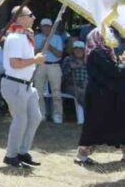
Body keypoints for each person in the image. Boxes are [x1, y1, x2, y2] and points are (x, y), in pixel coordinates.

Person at [0, 5, 45, 168]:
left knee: (35, 117)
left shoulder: (25, 37)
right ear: (19, 18)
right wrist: (35, 60)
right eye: (30, 15)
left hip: (26, 85)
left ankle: (22, 151)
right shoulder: (15, 38)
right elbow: (15, 63)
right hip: (14, 84)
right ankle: (11, 155)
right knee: (20, 119)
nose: (34, 18)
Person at [75, 29, 125, 165]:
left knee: (119, 123)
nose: (111, 38)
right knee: (93, 125)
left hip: (109, 95)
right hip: (99, 96)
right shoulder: (96, 52)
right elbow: (114, 71)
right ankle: (81, 156)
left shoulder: (107, 52)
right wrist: (123, 63)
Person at [33, 18, 66, 124]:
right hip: (40, 65)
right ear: (41, 27)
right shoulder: (36, 38)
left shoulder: (57, 38)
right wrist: (42, 47)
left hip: (54, 65)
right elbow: (33, 53)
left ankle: (58, 115)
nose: (46, 28)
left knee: (56, 91)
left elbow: (59, 55)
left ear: (51, 27)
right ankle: (41, 114)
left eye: (48, 26)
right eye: (44, 26)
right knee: (38, 91)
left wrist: (49, 46)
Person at [62, 39, 88, 123]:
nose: (78, 51)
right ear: (73, 50)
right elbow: (63, 76)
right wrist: (70, 68)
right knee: (81, 93)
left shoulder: (88, 60)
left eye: (81, 49)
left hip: (86, 85)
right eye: (76, 49)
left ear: (84, 50)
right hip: (71, 85)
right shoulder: (68, 59)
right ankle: (90, 115)